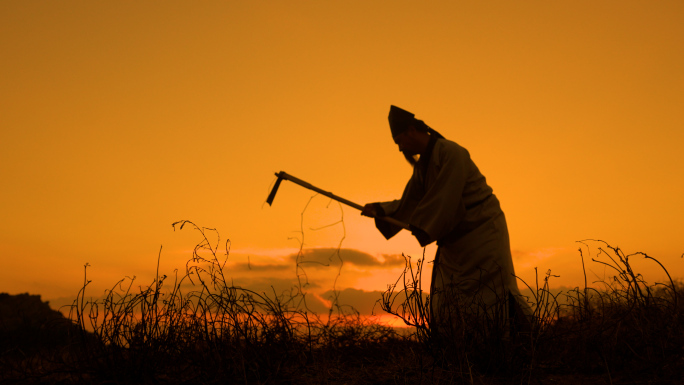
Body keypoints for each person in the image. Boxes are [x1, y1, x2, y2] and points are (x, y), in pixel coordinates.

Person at [362, 105, 530, 335]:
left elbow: (445, 196)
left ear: (411, 130)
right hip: (455, 240)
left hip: (483, 232)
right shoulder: (423, 167)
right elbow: (410, 202)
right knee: (449, 295)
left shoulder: (452, 152)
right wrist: (381, 209)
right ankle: (462, 351)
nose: (400, 147)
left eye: (399, 140)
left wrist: (424, 225)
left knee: (494, 292)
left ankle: (520, 342)